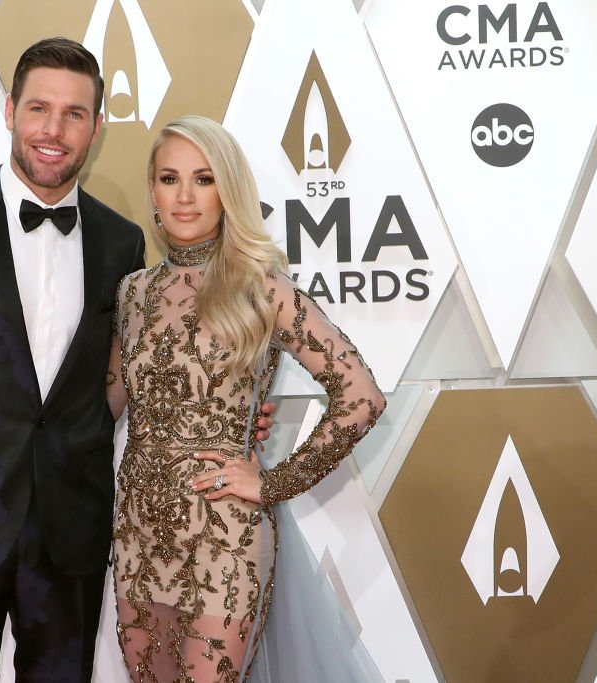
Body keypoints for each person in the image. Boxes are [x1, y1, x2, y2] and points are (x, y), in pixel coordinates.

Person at [0, 40, 273, 682]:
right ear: (11, 111)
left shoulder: (120, 241)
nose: (54, 130)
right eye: (39, 108)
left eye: (75, 114)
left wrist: (229, 414)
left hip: (71, 533)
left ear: (97, 129)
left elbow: (133, 372)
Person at [107, 115, 387, 682]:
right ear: (153, 190)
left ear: (228, 191)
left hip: (223, 536)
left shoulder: (262, 287)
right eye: (169, 178)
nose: (184, 196)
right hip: (136, 533)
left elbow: (361, 396)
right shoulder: (132, 292)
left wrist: (273, 482)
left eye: (203, 179)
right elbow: (105, 405)